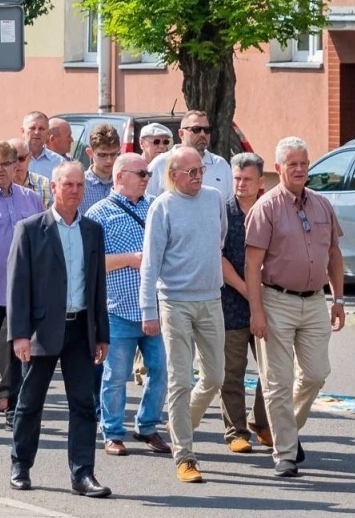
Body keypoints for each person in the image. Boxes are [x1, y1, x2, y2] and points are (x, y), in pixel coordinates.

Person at [7, 161, 111, 496]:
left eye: (80, 185)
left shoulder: (93, 230)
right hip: (41, 331)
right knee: (30, 402)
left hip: (81, 329)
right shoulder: (30, 229)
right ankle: (20, 466)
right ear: (53, 187)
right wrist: (19, 334)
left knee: (83, 404)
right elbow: (18, 285)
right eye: (68, 185)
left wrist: (102, 334)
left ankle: (83, 475)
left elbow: (97, 287)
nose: (75, 191)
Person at [243, 136, 344, 478]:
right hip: (276, 300)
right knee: (278, 381)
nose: (299, 169)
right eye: (292, 164)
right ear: (278, 169)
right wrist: (257, 311)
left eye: (303, 163)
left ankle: (286, 429)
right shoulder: (266, 208)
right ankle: (285, 453)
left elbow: (334, 254)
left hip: (315, 301)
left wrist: (339, 298)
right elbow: (251, 265)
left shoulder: (321, 205)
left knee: (316, 374)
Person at [140, 146, 229, 483]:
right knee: (180, 378)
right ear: (173, 174)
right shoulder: (162, 206)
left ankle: (181, 423)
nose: (197, 177)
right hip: (174, 302)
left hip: (210, 299)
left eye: (200, 170)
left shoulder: (213, 199)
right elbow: (150, 264)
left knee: (215, 377)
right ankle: (185, 455)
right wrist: (148, 310)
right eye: (190, 172)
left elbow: (218, 239)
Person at [87, 153, 170, 456]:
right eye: (142, 173)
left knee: (162, 370)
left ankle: (147, 426)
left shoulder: (155, 207)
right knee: (116, 376)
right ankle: (112, 432)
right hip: (117, 308)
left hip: (154, 306)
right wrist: (131, 260)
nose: (148, 178)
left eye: (148, 174)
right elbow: (90, 263)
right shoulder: (98, 213)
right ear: (121, 177)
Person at [0, 141, 53, 427]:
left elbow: (42, 243)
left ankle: (13, 408)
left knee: (20, 352)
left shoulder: (31, 199)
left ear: (16, 165)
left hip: (22, 291)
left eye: (5, 164)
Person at [219, 152, 267, 452]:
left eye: (247, 179)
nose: (241, 184)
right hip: (231, 301)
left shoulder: (270, 211)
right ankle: (235, 431)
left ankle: (262, 422)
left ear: (261, 181)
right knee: (231, 371)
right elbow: (218, 255)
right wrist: (247, 291)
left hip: (268, 302)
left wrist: (259, 296)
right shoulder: (222, 212)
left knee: (271, 369)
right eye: (237, 178)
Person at [146, 110, 230, 198]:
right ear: (181, 134)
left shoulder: (221, 165)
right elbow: (147, 202)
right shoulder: (160, 164)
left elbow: (230, 205)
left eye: (207, 130)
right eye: (196, 129)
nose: (203, 134)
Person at [79, 123, 120, 214]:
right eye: (102, 155)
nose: (109, 160)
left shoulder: (124, 182)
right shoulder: (80, 185)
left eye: (113, 154)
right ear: (90, 153)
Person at [22, 111, 65, 179]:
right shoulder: (12, 160)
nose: (37, 132)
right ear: (22, 131)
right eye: (32, 128)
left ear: (48, 134)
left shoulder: (59, 162)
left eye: (41, 129)